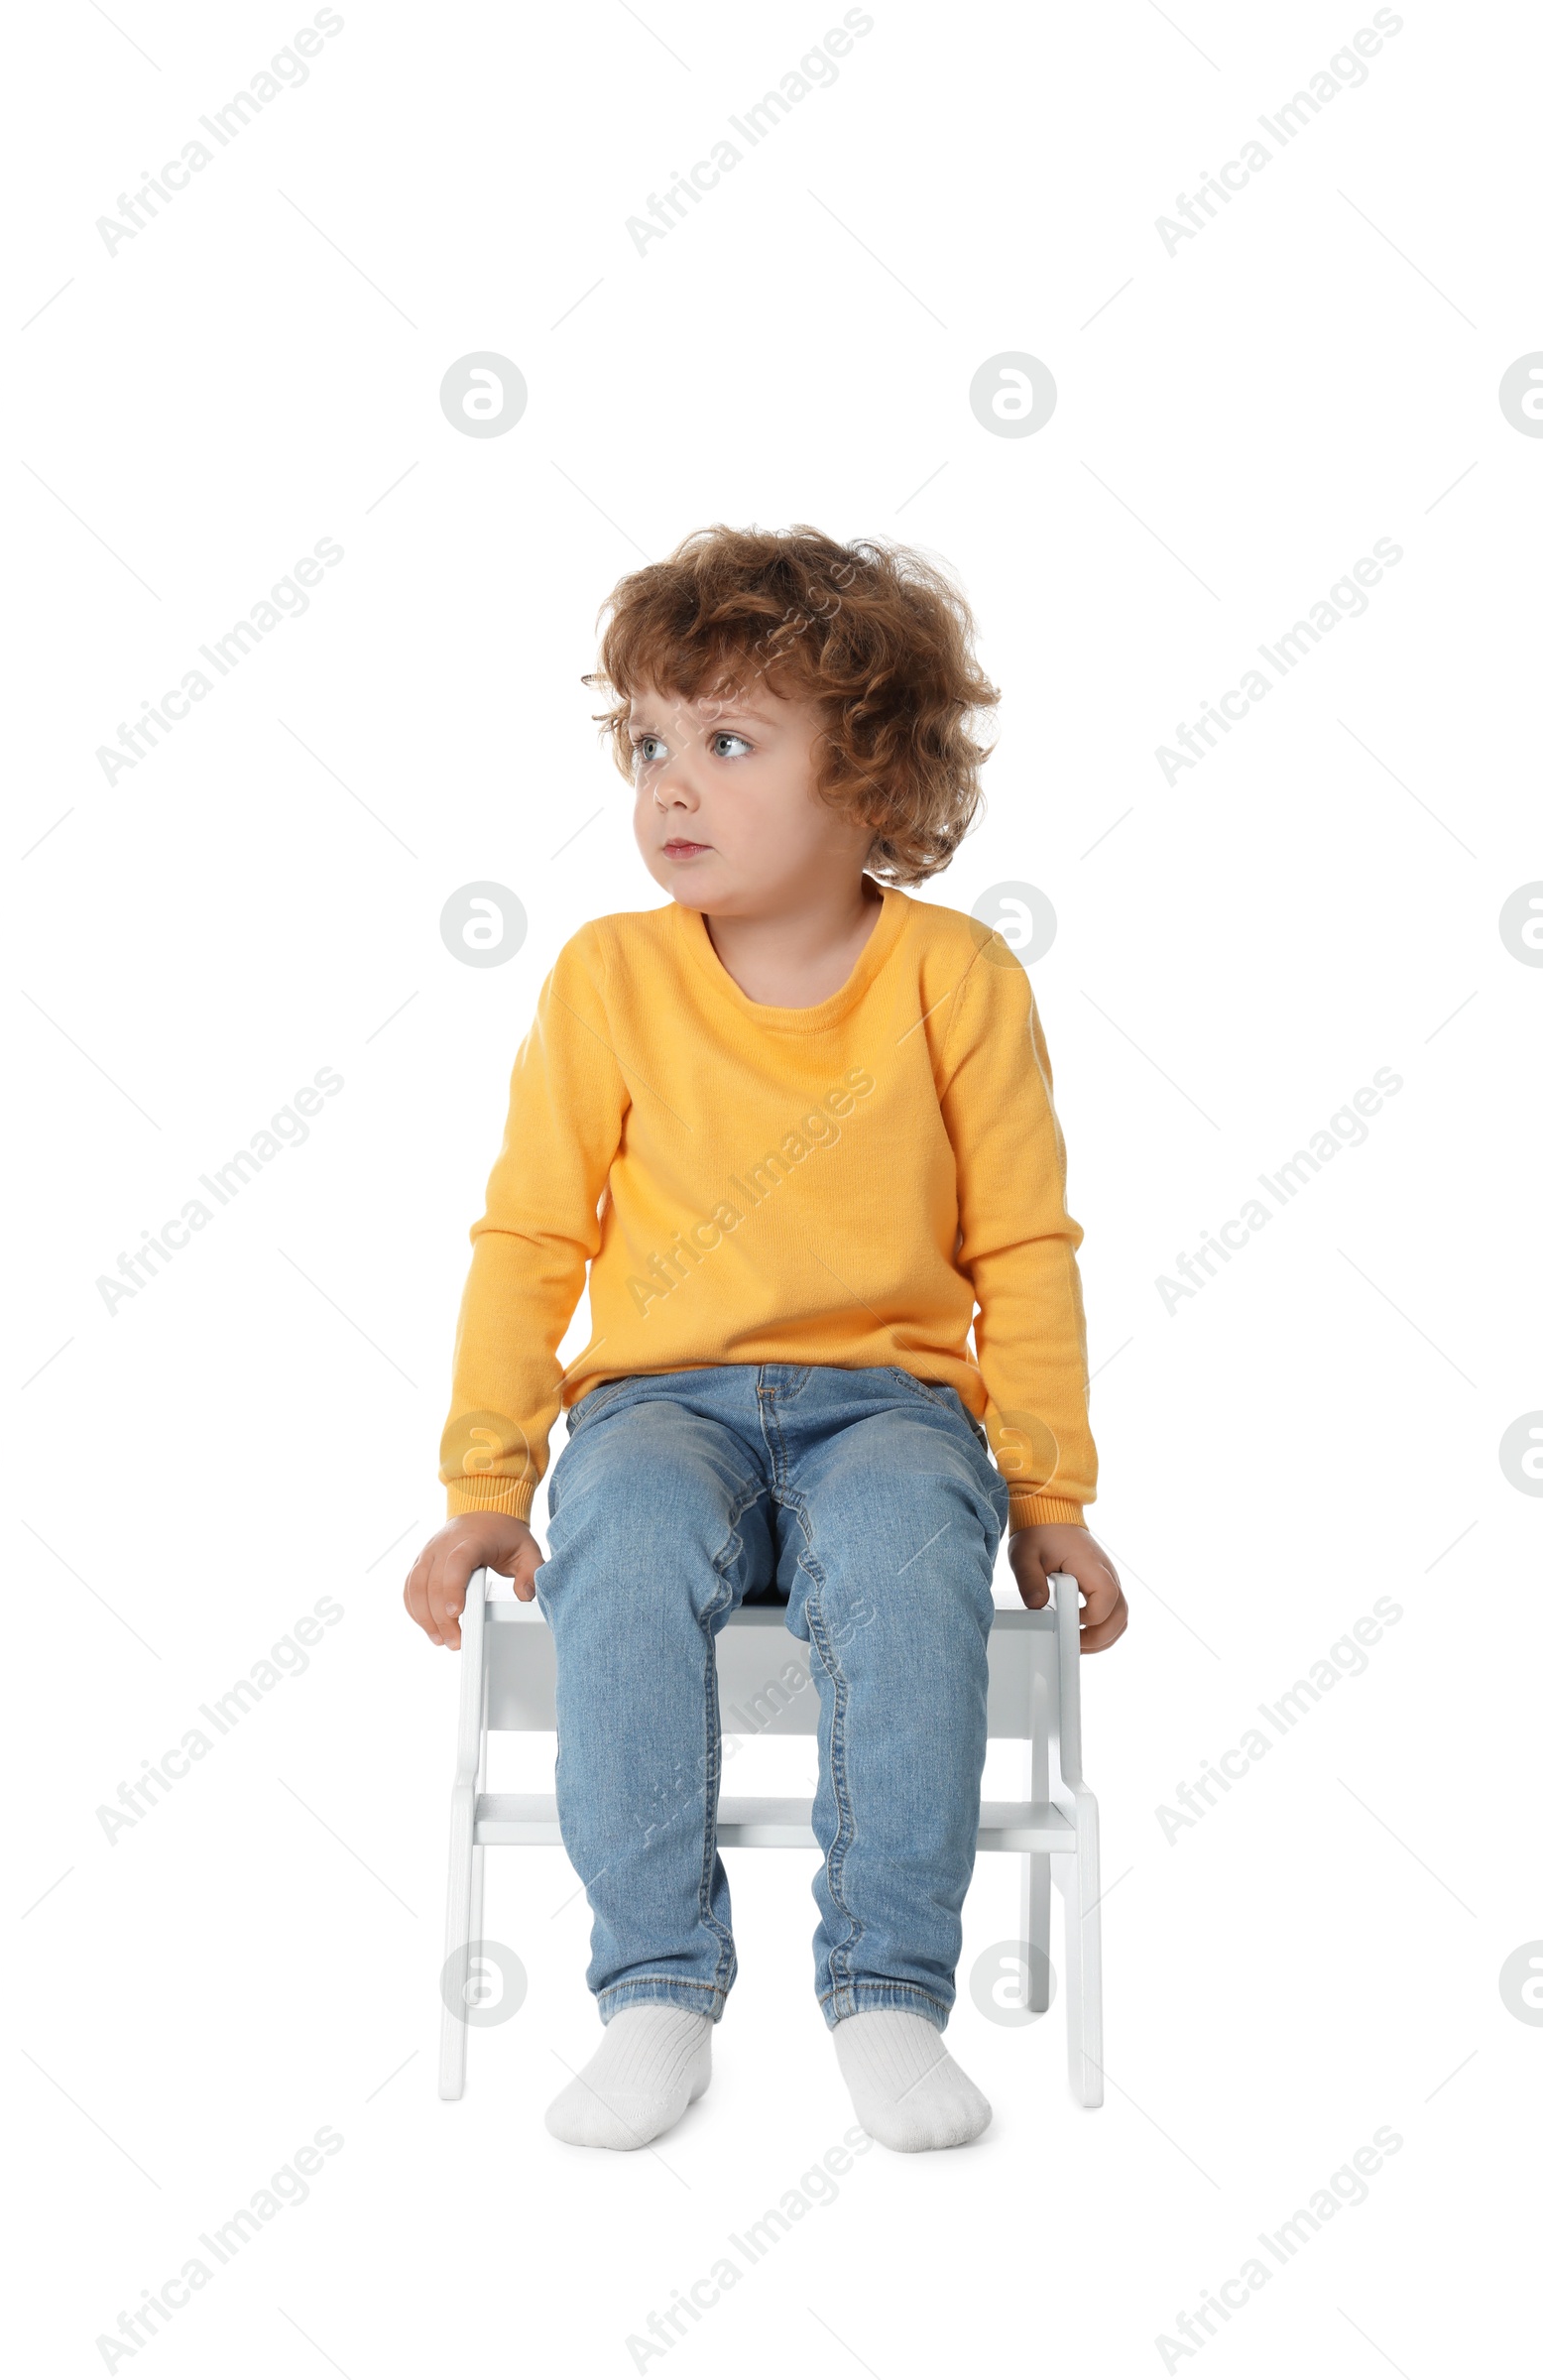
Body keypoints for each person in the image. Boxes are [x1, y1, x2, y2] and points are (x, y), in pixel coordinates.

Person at [404, 524, 1127, 2154]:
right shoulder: (608, 979)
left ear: (869, 784)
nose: (672, 784)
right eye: (651, 741)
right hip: (665, 1405)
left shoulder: (957, 978)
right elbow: (532, 1240)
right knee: (635, 1526)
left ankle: (888, 1995)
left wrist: (1052, 1495)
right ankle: (655, 1988)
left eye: (729, 744)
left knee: (897, 1554)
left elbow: (1024, 1243)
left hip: (893, 1409)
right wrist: (486, 1482)